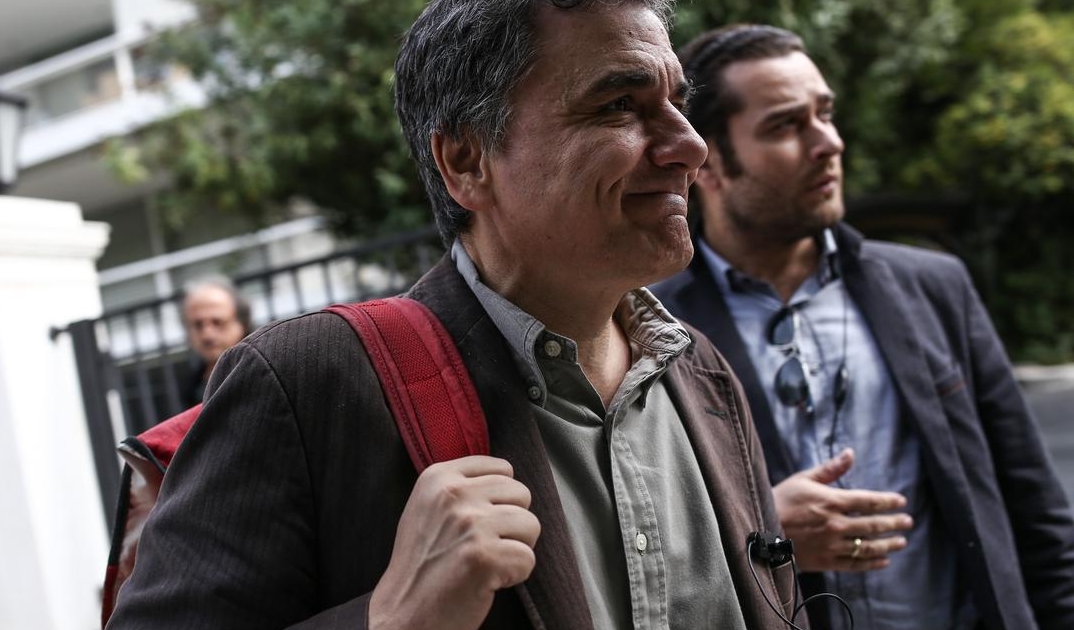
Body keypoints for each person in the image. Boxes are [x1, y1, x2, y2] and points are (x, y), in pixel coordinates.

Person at [106, 2, 800, 628]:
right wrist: (393, 617)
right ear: (466, 161)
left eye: (677, 102)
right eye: (619, 104)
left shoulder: (704, 376)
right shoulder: (307, 382)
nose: (690, 145)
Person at [650, 23, 1074, 629]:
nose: (829, 142)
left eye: (825, 114)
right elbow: (637, 544)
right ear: (709, 163)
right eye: (785, 125)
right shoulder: (655, 326)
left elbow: (1036, 512)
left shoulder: (933, 287)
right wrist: (762, 531)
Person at [178, 275, 252, 408]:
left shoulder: (261, 371)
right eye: (197, 325)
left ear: (242, 324)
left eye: (217, 322)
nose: (207, 335)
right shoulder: (192, 386)